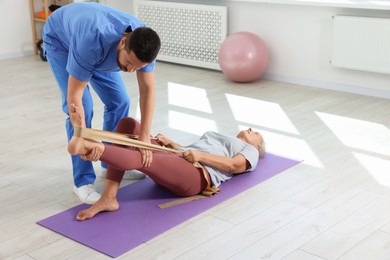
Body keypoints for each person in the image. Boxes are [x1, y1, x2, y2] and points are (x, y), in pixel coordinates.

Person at [42, 2, 161, 204]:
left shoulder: (145, 43)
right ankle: (82, 181)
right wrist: (87, 142)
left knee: (120, 101)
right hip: (62, 40)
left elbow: (147, 90)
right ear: (123, 42)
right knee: (84, 108)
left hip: (97, 48)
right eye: (129, 63)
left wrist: (144, 136)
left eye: (138, 67)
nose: (132, 70)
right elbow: (75, 96)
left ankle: (110, 163)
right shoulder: (91, 40)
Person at [67, 104, 265, 221]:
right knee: (128, 124)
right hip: (179, 157)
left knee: (143, 157)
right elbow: (193, 150)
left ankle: (93, 147)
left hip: (196, 175)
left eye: (256, 134)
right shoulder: (223, 138)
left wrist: (200, 157)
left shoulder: (251, 151)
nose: (251, 129)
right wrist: (171, 143)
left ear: (257, 146)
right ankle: (109, 198)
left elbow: (234, 166)